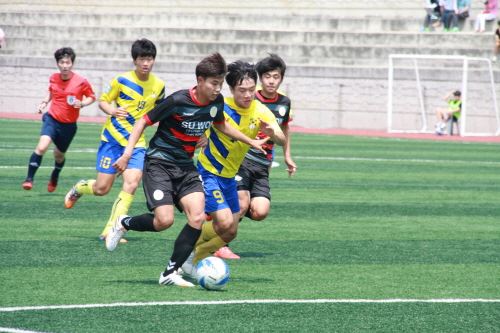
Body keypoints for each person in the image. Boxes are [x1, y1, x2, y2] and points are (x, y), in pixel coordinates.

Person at [104, 53, 269, 287]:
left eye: (220, 84)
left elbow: (221, 125)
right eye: (213, 83)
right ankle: (124, 222)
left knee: (198, 216)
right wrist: (128, 154)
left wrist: (249, 141)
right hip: (159, 163)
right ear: (200, 80)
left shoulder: (216, 103)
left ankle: (170, 272)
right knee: (164, 221)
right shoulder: (177, 101)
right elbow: (143, 121)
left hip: (186, 167)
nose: (216, 89)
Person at [181, 60, 286, 276]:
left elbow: (282, 139)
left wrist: (273, 134)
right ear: (231, 89)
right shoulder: (220, 106)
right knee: (225, 220)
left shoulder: (261, 110)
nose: (247, 95)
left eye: (250, 90)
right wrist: (199, 137)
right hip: (208, 172)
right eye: (242, 90)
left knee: (230, 232)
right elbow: (196, 123)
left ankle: (195, 254)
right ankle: (185, 251)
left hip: (229, 177)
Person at [64, 39, 165, 244]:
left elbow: (161, 111)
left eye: (150, 59)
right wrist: (112, 110)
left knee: (132, 182)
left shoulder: (159, 85)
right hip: (112, 140)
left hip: (136, 143)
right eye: (142, 59)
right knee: (102, 189)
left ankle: (111, 230)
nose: (146, 63)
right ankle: (80, 188)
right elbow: (103, 101)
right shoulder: (121, 80)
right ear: (134, 60)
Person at [214, 54, 297, 260]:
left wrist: (287, 155)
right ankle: (221, 243)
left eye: (276, 77)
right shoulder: (250, 98)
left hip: (263, 163)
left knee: (260, 211)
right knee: (241, 203)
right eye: (267, 76)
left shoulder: (284, 102)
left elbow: (284, 129)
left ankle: (220, 214)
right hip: (242, 159)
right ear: (260, 78)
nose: (271, 81)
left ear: (281, 79)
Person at [22, 47, 95, 192]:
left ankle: (55, 175)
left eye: (68, 62)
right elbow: (51, 92)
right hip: (52, 119)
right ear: (58, 64)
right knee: (42, 147)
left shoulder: (81, 81)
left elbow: (92, 97)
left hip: (68, 126)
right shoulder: (53, 78)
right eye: (62, 62)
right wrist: (44, 102)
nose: (65, 65)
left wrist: (82, 103)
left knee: (59, 155)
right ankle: (29, 179)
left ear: (72, 64)